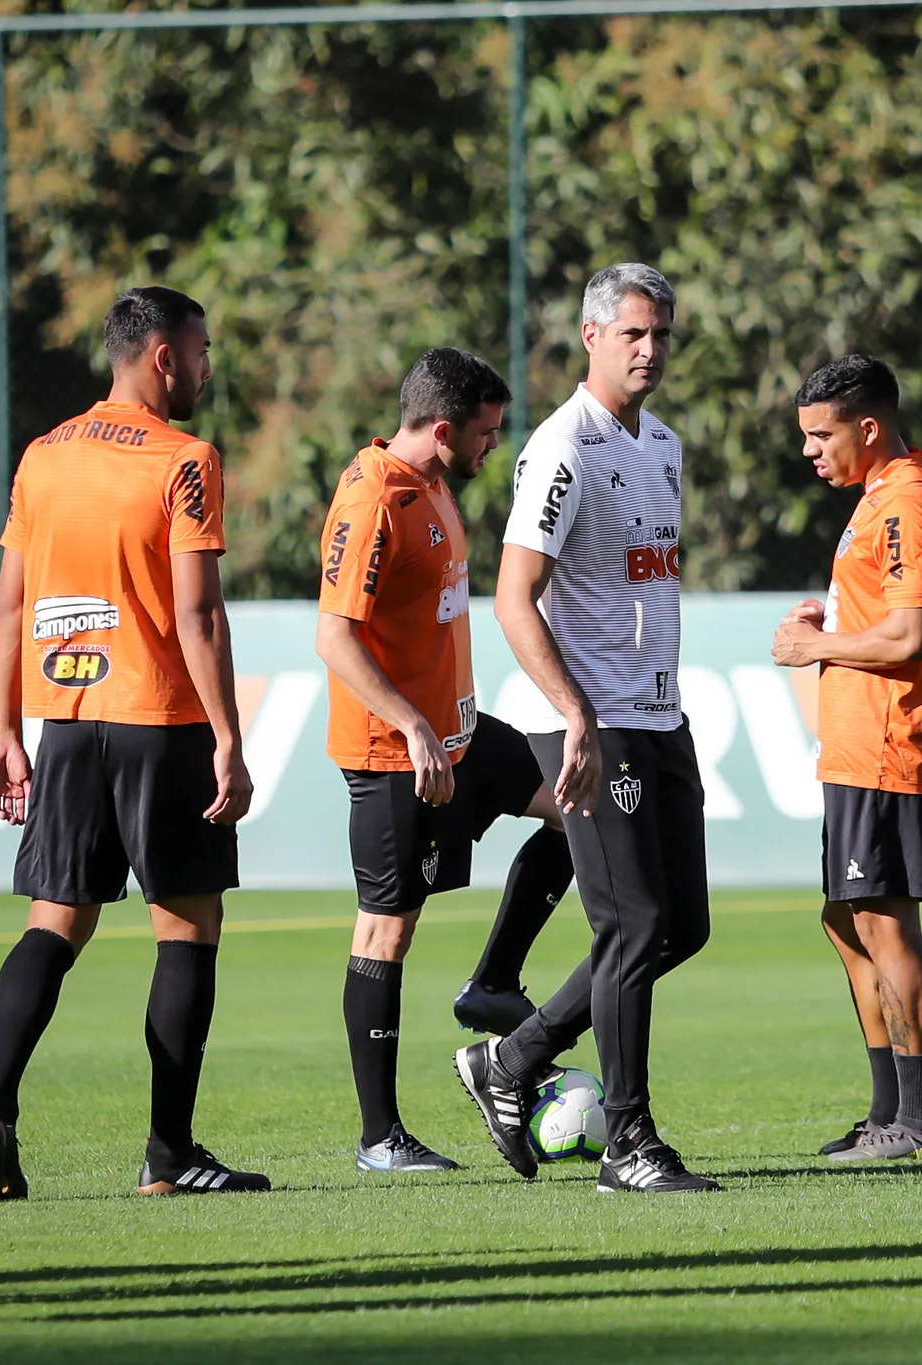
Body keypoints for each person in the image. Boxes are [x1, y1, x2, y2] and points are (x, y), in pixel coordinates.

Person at [0, 285, 269, 1199]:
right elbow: (198, 611)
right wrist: (228, 734)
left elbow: (12, 604)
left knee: (53, 923)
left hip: (66, 724)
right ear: (163, 356)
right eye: (202, 349)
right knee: (187, 929)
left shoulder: (44, 455)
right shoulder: (186, 460)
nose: (208, 366)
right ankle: (168, 1155)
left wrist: (3, 730)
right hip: (160, 721)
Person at [456, 263, 719, 1193]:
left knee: (679, 926)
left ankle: (511, 1062)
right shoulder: (562, 447)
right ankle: (629, 1144)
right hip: (585, 717)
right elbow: (513, 597)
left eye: (661, 335)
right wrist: (574, 715)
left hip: (656, 713)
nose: (649, 350)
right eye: (633, 333)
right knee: (633, 922)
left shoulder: (664, 446)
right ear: (593, 336)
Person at [315, 347, 575, 1174]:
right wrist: (411, 725)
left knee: (584, 804)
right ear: (440, 429)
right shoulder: (372, 500)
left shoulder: (432, 485)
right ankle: (380, 1137)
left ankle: (495, 979)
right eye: (486, 434)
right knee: (386, 933)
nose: (493, 446)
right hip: (399, 754)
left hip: (460, 737)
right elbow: (335, 637)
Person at [771, 355, 922, 1162]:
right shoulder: (879, 500)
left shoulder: (906, 503)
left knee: (886, 925)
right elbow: (883, 614)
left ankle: (921, 1121)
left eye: (823, 435)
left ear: (870, 427)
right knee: (848, 922)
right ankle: (889, 1111)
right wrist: (837, 618)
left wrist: (818, 642)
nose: (812, 451)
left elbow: (910, 635)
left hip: (886, 742)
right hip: (857, 740)